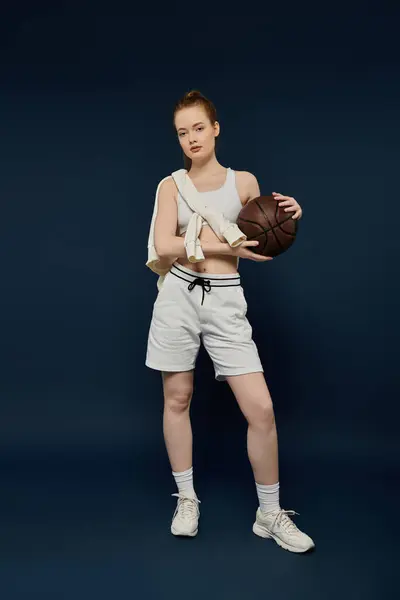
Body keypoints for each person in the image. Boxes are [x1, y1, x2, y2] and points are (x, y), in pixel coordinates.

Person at [145, 90, 315, 553]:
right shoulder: (170, 185)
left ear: (215, 128)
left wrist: (289, 215)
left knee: (260, 409)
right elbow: (164, 247)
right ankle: (186, 498)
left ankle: (269, 513)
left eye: (199, 128)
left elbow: (265, 234)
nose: (191, 138)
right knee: (177, 399)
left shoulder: (242, 182)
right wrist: (228, 247)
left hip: (224, 301)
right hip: (178, 297)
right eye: (183, 132)